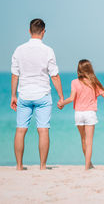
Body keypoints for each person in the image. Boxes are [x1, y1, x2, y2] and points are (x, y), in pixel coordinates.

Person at [10, 18, 64, 170]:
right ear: (43, 32)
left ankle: (19, 166)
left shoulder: (19, 50)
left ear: (29, 31)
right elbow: (54, 76)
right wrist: (61, 96)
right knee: (43, 129)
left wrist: (13, 95)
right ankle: (42, 166)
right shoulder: (48, 50)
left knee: (20, 129)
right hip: (42, 95)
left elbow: (15, 75)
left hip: (24, 94)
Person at [58, 59, 104, 170]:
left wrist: (62, 103)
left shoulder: (74, 82)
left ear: (79, 69)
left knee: (83, 139)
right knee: (89, 142)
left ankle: (89, 163)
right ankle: (87, 166)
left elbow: (71, 98)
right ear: (90, 69)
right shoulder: (94, 82)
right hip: (90, 114)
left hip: (78, 114)